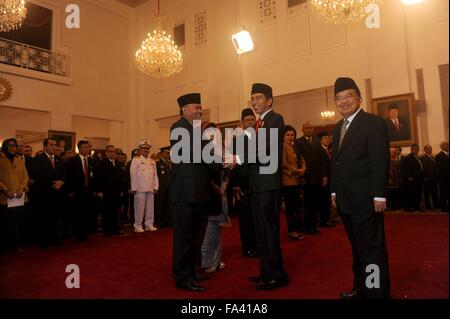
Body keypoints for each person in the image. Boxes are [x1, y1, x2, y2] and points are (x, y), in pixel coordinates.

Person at [330, 77, 391, 299]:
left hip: (366, 200)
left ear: (359, 98)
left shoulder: (373, 123)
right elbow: (335, 163)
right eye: (338, 98)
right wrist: (334, 192)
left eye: (348, 96)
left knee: (371, 251)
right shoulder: (338, 128)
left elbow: (380, 161)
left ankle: (375, 292)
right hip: (346, 201)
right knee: (357, 249)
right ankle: (361, 286)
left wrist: (379, 195)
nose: (343, 101)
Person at [169, 92, 214, 292]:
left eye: (200, 107)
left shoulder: (194, 129)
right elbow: (190, 155)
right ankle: (182, 278)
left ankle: (191, 273)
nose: (200, 110)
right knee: (184, 238)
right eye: (196, 107)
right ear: (184, 109)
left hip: (196, 193)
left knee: (193, 237)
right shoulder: (179, 127)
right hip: (185, 193)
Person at [247, 83, 288, 290]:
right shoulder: (257, 123)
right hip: (257, 184)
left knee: (269, 230)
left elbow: (264, 149)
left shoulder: (275, 119)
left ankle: (277, 274)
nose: (254, 102)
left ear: (269, 100)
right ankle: (265, 271)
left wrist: (238, 157)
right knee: (260, 231)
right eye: (252, 98)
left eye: (259, 98)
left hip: (268, 183)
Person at [229, 108, 258, 258]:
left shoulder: (261, 138)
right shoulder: (237, 141)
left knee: (258, 218)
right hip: (243, 186)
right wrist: (235, 186)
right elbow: (233, 167)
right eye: (247, 120)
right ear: (242, 123)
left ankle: (259, 245)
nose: (250, 122)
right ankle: (247, 247)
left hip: (258, 185)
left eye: (252, 119)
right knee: (246, 219)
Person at [32, 138, 66, 248]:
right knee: (44, 218)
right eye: (51, 144)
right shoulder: (38, 159)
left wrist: (61, 182)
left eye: (55, 144)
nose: (54, 147)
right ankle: (43, 241)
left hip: (57, 194)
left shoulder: (59, 159)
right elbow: (39, 175)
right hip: (44, 193)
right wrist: (53, 183)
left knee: (55, 217)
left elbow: (64, 173)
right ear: (45, 147)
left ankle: (54, 238)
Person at [294, 122, 326, 234]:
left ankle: (314, 226)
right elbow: (298, 159)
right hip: (306, 178)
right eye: (306, 128)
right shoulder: (298, 142)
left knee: (316, 203)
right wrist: (301, 175)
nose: (309, 129)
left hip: (317, 177)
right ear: (303, 130)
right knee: (308, 205)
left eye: (311, 127)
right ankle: (308, 227)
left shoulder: (317, 141)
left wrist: (324, 175)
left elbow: (322, 159)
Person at [0, 138, 29, 254]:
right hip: (4, 197)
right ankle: (5, 246)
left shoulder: (20, 161)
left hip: (19, 197)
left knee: (18, 223)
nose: (12, 148)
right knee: (5, 223)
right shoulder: (0, 161)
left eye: (14, 146)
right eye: (10, 145)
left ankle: (17, 245)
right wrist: (6, 189)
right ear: (5, 147)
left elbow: (25, 177)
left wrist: (22, 188)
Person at [65, 140, 95, 242]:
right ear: (79, 149)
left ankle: (85, 234)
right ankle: (77, 235)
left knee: (86, 214)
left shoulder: (91, 161)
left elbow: (92, 177)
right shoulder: (72, 160)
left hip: (88, 192)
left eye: (88, 147)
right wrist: (70, 191)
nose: (87, 149)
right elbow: (68, 177)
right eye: (84, 147)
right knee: (77, 214)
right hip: (77, 192)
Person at [281, 125, 306, 240]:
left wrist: (303, 169)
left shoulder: (295, 147)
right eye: (288, 135)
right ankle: (292, 231)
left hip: (298, 180)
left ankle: (298, 229)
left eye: (292, 135)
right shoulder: (283, 147)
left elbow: (302, 160)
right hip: (288, 182)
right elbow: (284, 164)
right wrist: (296, 170)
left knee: (298, 207)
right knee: (291, 209)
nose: (291, 137)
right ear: (283, 136)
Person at [130, 140, 159, 233]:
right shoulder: (136, 160)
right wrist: (133, 188)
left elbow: (155, 175)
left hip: (150, 188)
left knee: (150, 208)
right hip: (140, 188)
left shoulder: (152, 161)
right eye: (143, 148)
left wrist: (156, 186)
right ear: (139, 150)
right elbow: (132, 174)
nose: (145, 150)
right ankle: (137, 225)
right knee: (139, 208)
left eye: (147, 148)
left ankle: (149, 224)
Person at [95, 145, 123, 236]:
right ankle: (107, 230)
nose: (112, 153)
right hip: (106, 192)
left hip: (116, 192)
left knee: (115, 211)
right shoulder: (101, 163)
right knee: (107, 212)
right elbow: (98, 178)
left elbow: (120, 178)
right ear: (106, 153)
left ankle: (115, 229)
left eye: (114, 152)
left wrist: (122, 190)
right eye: (110, 151)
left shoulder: (118, 163)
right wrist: (99, 191)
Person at [317, 131, 334, 227]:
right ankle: (324, 221)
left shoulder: (328, 150)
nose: (328, 140)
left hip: (330, 178)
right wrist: (324, 177)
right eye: (326, 138)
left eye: (328, 138)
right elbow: (321, 165)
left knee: (327, 200)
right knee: (324, 201)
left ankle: (327, 219)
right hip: (324, 179)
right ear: (320, 140)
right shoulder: (320, 150)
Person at [401, 144, 424, 212]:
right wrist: (409, 177)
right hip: (412, 180)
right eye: (415, 149)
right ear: (411, 149)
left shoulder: (417, 157)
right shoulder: (408, 157)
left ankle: (416, 206)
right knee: (411, 194)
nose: (417, 150)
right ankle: (411, 207)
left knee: (417, 194)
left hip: (418, 180)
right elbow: (407, 168)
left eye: (417, 149)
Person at [420, 145, 440, 210]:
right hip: (427, 179)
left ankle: (436, 205)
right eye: (428, 149)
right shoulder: (423, 158)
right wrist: (426, 177)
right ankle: (428, 206)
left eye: (430, 149)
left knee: (435, 193)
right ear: (425, 150)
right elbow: (424, 169)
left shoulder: (433, 157)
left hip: (434, 179)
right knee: (427, 194)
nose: (430, 150)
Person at [435, 141, 449, 212]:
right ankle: (444, 207)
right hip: (443, 178)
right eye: (447, 145)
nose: (448, 146)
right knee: (443, 193)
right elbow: (439, 167)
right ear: (442, 147)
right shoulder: (438, 156)